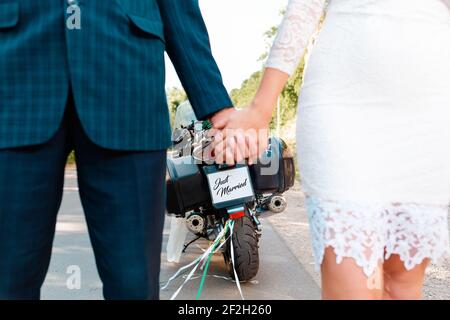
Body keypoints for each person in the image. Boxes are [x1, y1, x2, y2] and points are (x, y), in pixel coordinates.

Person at [213, 0, 450, 299]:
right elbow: (303, 8)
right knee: (353, 286)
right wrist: (260, 110)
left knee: (401, 285)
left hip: (431, 107)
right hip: (342, 103)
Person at [0, 0, 235, 300]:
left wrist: (215, 104)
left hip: (127, 78)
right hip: (12, 75)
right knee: (6, 281)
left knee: (133, 285)